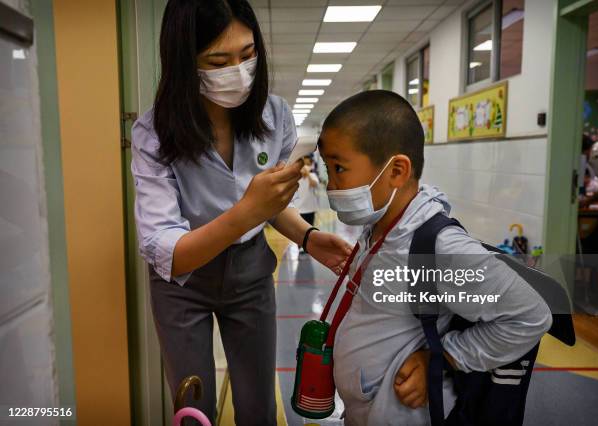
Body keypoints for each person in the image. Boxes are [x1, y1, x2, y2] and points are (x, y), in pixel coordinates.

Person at [130, 1, 351, 424]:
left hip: (250, 272)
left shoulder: (274, 115)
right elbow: (169, 252)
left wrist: (306, 236)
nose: (239, 71)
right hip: (183, 282)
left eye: (248, 54)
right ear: (184, 62)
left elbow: (269, 208)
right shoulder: (153, 134)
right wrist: (249, 210)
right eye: (218, 60)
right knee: (192, 407)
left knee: (257, 406)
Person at [317, 90, 552, 425]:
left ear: (396, 171)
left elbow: (530, 317)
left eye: (339, 168)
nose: (330, 185)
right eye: (328, 169)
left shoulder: (439, 249)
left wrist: (444, 357)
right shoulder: (380, 227)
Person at [296, 155, 320, 228]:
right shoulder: (297, 175)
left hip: (310, 209)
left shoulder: (313, 174)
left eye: (310, 159)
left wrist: (308, 174)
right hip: (298, 209)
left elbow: (314, 184)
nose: (309, 160)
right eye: (307, 158)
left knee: (309, 231)